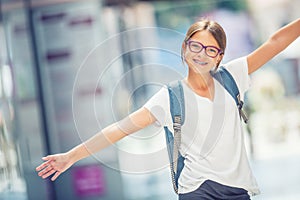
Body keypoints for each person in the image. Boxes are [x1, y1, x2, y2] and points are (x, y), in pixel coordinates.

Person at [36, 18, 300, 199]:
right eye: (195, 46)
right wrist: (71, 155)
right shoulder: (170, 96)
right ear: (185, 48)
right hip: (197, 189)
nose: (202, 54)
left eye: (211, 49)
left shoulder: (234, 76)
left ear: (220, 55)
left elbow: (275, 42)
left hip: (238, 188)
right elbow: (120, 129)